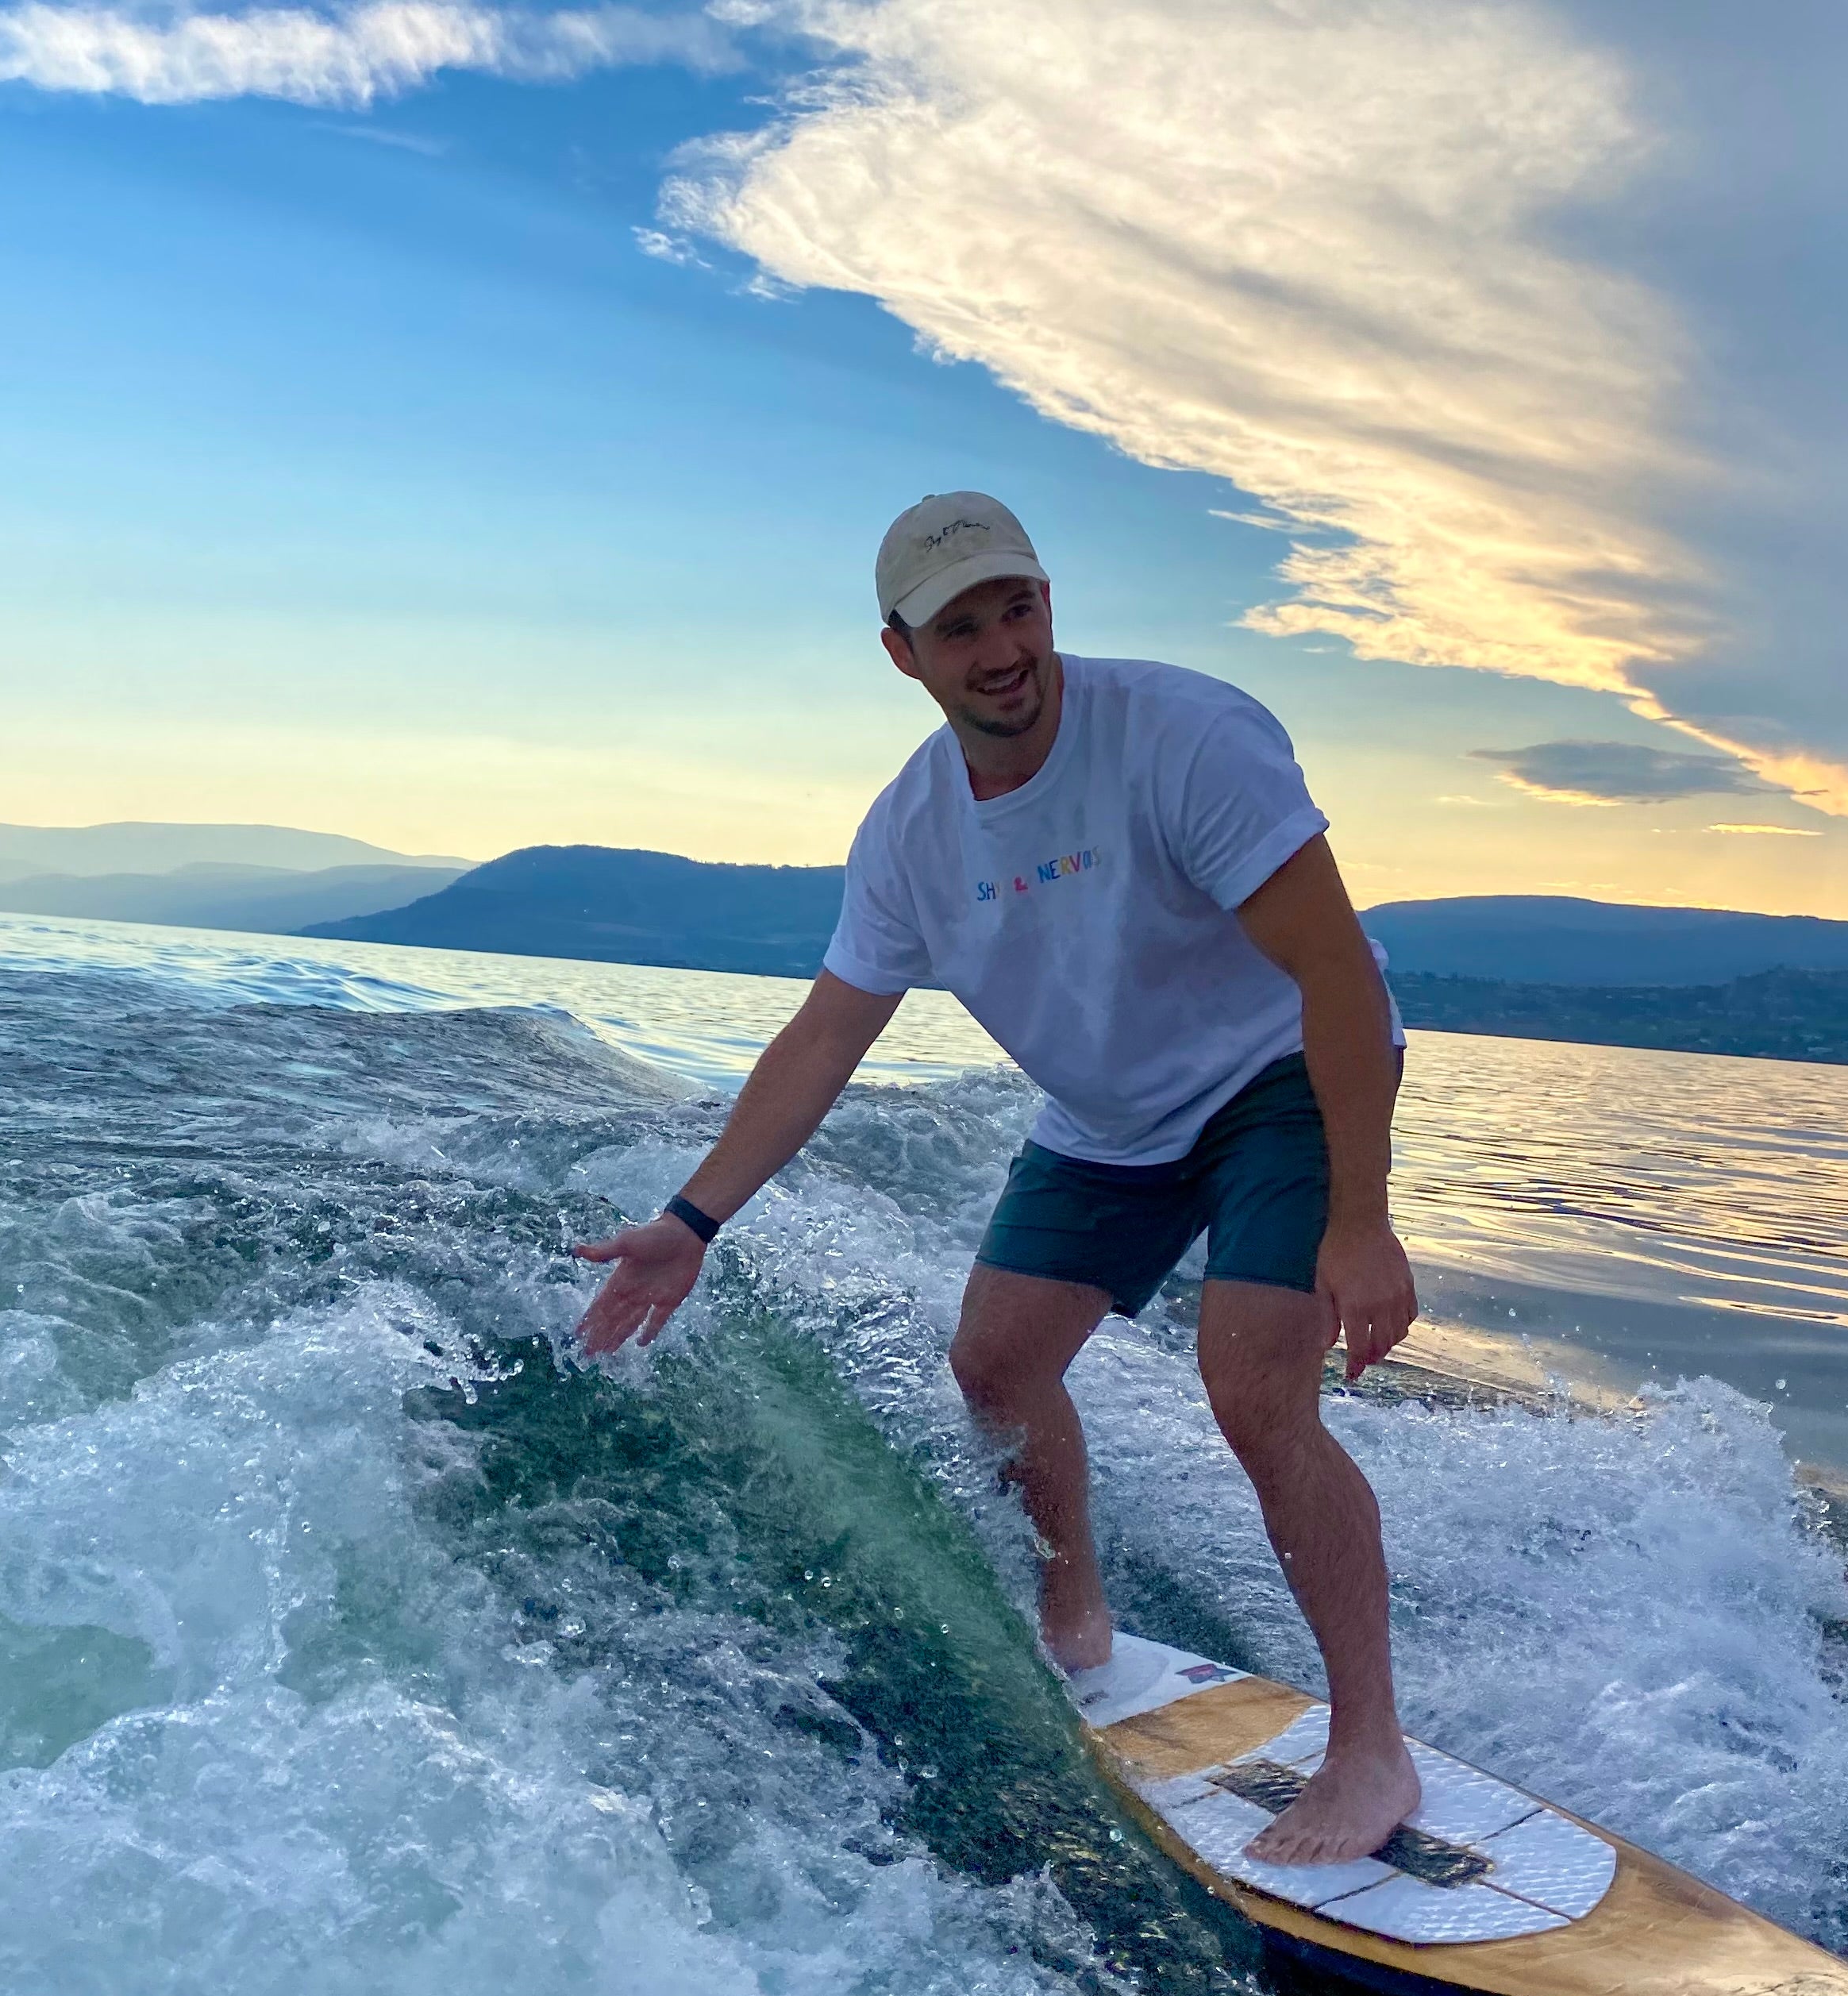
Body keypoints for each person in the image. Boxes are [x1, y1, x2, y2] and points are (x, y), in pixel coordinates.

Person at [575, 492, 1421, 1867]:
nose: (1001, 648)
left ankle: (1371, 1748)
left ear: (1046, 601)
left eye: (1017, 606)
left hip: (1285, 1070)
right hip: (1111, 1116)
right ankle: (1074, 1622)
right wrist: (690, 1222)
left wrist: (1362, 1217)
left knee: (1252, 1380)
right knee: (996, 1363)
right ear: (904, 654)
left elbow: (1334, 970)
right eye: (960, 626)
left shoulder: (1184, 736)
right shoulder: (910, 835)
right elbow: (825, 1036)